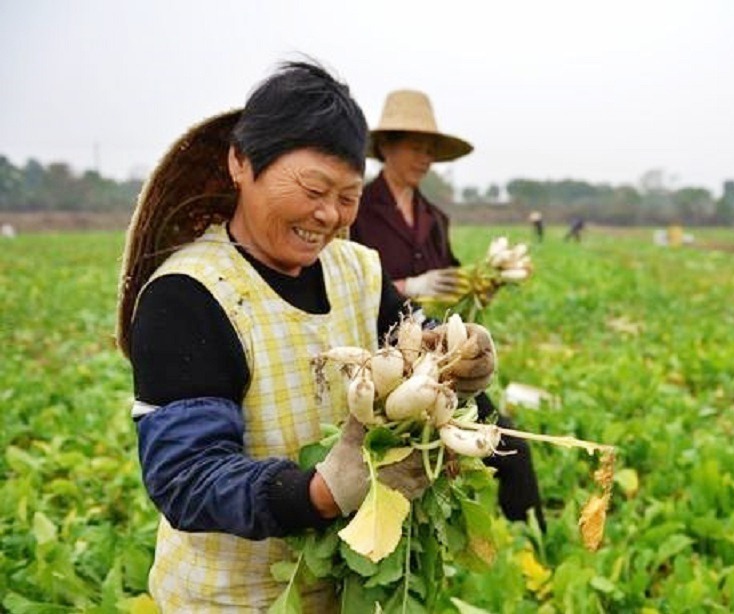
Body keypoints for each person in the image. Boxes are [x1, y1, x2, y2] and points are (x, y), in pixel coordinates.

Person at [115, 61, 496, 610]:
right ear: (240, 163)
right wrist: (319, 492)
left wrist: (458, 359)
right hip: (234, 599)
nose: (327, 215)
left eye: (347, 196)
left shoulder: (359, 270)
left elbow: (419, 343)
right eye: (313, 188)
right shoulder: (188, 296)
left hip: (347, 591)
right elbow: (187, 476)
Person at [350, 89, 546, 531]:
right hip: (380, 362)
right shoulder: (356, 208)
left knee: (507, 440)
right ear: (387, 147)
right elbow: (347, 282)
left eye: (431, 150)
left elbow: (452, 277)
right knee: (398, 467)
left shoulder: (434, 216)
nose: (425, 158)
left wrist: (480, 285)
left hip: (437, 354)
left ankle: (535, 542)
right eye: (416, 147)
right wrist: (405, 287)